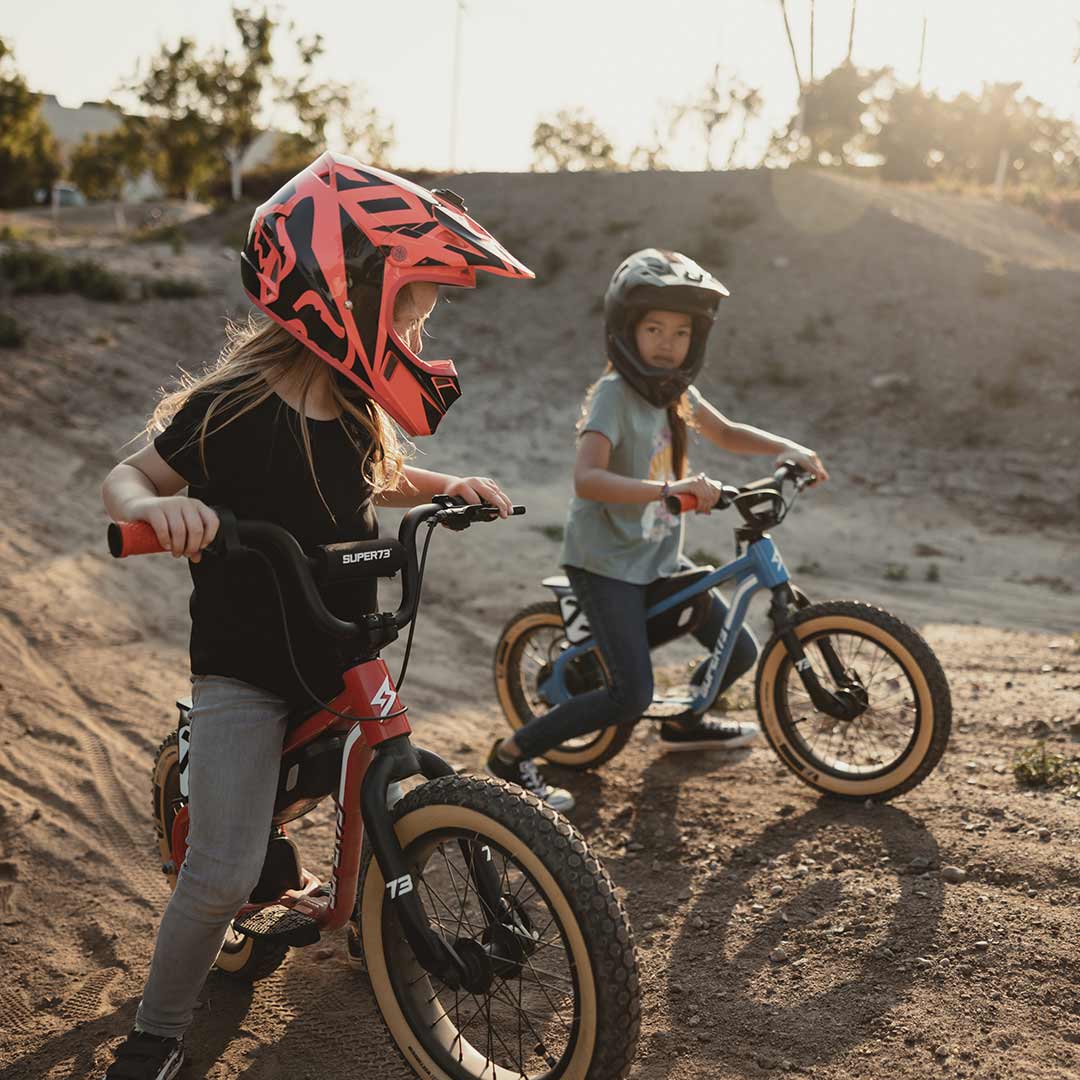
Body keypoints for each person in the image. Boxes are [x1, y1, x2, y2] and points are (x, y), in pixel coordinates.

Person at [98, 153, 532, 1080]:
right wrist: (155, 510)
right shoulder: (230, 407)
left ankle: (364, 910)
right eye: (410, 304)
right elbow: (125, 476)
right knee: (217, 875)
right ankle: (157, 1034)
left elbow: (376, 476)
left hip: (339, 649)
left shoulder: (354, 405)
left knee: (388, 778)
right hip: (247, 667)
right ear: (343, 291)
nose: (419, 326)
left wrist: (443, 485)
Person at [486, 248, 828, 812]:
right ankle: (510, 754)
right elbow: (587, 479)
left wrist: (786, 447)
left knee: (737, 650)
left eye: (682, 331)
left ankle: (684, 724)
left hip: (656, 560)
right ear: (626, 329)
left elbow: (724, 430)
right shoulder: (614, 396)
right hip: (604, 565)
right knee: (629, 693)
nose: (668, 342)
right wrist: (668, 491)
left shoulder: (675, 393)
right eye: (653, 328)